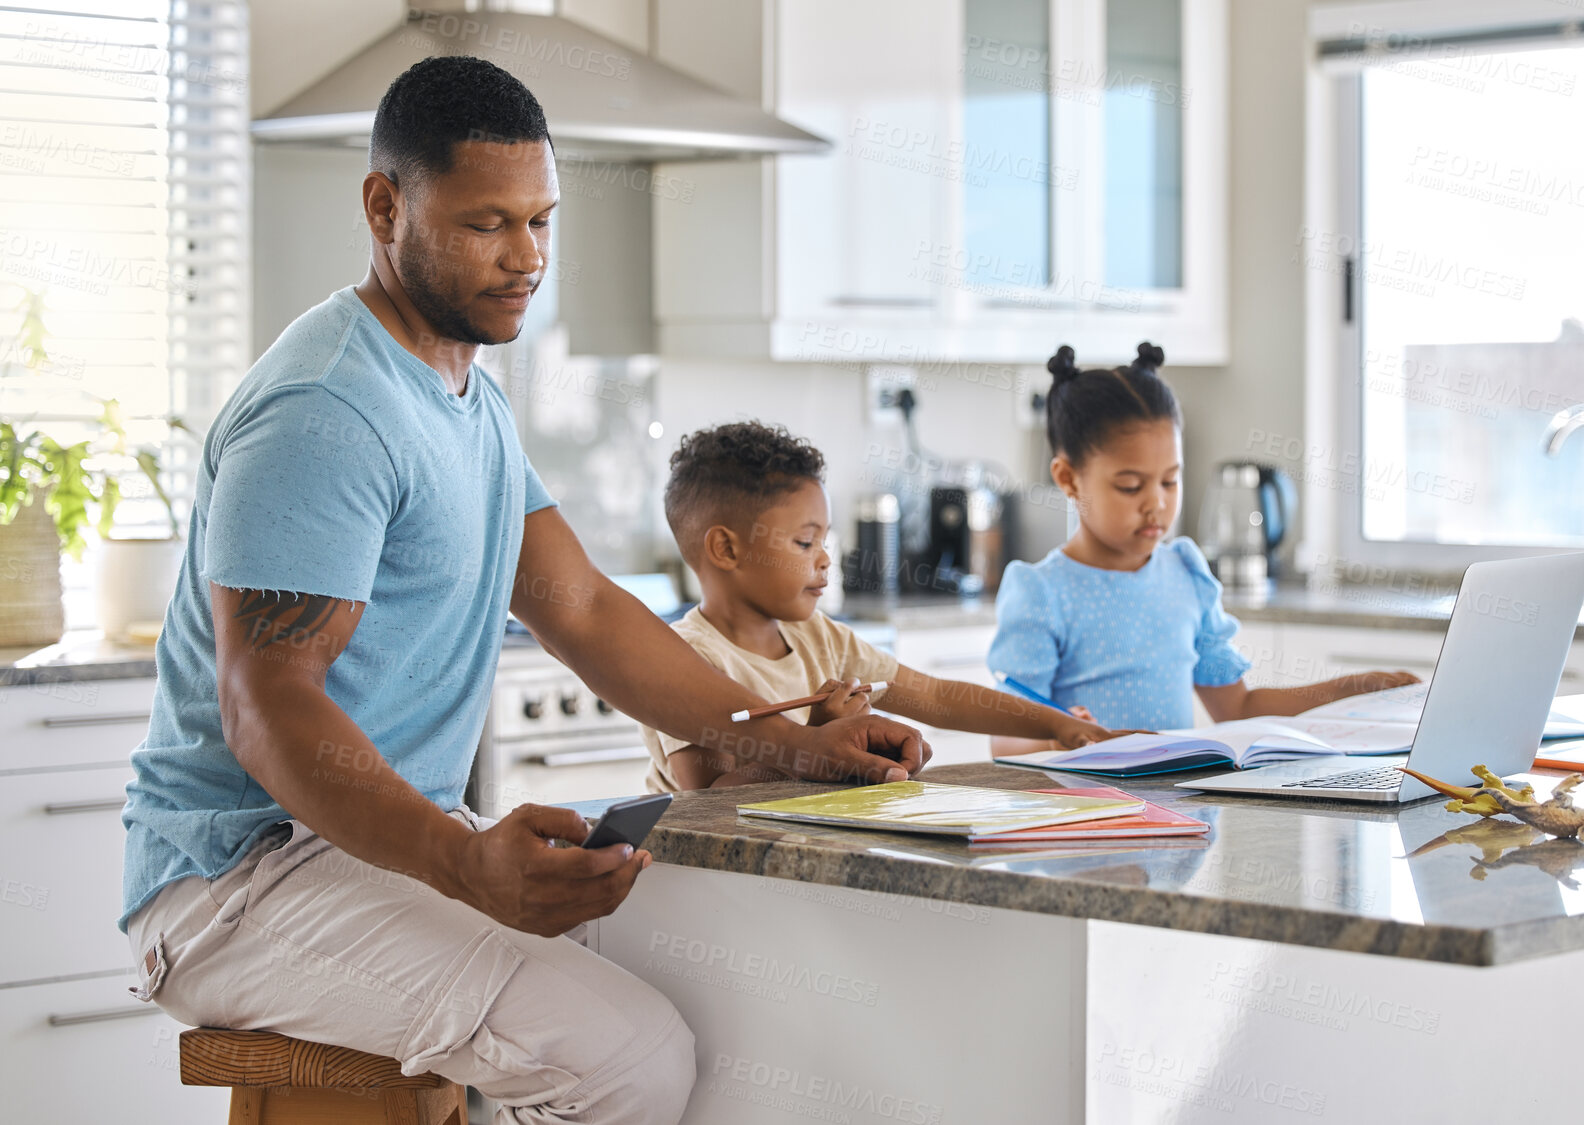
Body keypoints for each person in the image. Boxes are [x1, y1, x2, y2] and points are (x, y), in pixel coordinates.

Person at [118, 57, 929, 1125]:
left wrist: (776, 740)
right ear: (383, 205)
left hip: (365, 855)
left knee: (721, 976)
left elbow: (581, 607)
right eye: (487, 223)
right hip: (238, 885)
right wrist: (459, 860)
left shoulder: (464, 395)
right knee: (628, 1059)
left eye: (541, 219)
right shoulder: (326, 411)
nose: (527, 257)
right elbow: (266, 707)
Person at [988, 343, 1417, 756]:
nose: (1156, 503)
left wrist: (1349, 689)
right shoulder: (1041, 592)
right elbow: (1003, 739)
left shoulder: (1186, 575)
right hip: (1080, 817)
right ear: (1068, 479)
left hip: (1180, 814)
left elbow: (1238, 709)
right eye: (1130, 486)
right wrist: (1054, 739)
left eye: (1170, 481)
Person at [638, 421, 1113, 790]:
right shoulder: (687, 658)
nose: (825, 558)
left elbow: (937, 696)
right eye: (805, 543)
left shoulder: (818, 637)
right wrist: (813, 741)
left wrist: (1063, 726)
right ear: (726, 549)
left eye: (824, 540)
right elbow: (709, 796)